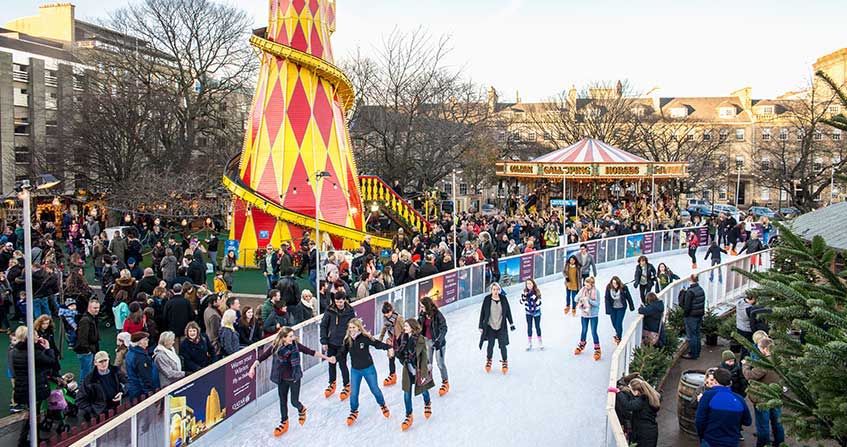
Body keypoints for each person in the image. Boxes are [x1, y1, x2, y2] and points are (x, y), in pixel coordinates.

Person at [248, 326, 333, 437]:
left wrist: (327, 358)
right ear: (283, 338)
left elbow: (310, 352)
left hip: (294, 378)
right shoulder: (276, 347)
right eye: (290, 336)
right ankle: (284, 422)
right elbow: (262, 357)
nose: (293, 338)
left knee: (294, 402)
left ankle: (301, 409)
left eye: (293, 336)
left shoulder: (296, 346)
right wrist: (252, 367)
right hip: (282, 379)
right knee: (282, 402)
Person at [338, 318, 392, 426]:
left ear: (358, 327)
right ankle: (353, 411)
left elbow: (376, 344)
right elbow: (342, 353)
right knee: (353, 393)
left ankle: (382, 404)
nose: (351, 330)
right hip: (355, 371)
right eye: (350, 328)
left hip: (368, 369)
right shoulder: (347, 340)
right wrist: (335, 358)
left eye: (353, 327)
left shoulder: (364, 338)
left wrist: (388, 347)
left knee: (375, 390)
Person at [12, 326, 59, 447]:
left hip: (23, 386)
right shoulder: (34, 352)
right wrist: (48, 349)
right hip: (34, 386)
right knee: (34, 414)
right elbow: (50, 361)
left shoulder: (15, 351)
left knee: (32, 413)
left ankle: (30, 438)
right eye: (35, 335)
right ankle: (28, 439)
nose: (37, 337)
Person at [742, 337, 784, 447]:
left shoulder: (764, 363)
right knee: (778, 423)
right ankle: (780, 443)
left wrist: (745, 364)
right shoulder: (780, 359)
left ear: (765, 349)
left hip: (762, 398)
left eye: (760, 348)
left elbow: (749, 376)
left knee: (763, 426)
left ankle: (763, 444)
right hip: (776, 396)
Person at [695, 367, 752, 447]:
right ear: (730, 382)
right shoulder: (739, 399)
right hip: (732, 442)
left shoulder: (708, 396)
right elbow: (747, 422)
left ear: (715, 381)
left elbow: (699, 420)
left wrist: (702, 436)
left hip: (710, 441)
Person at [398, 319, 434, 431]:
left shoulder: (420, 339)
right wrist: (395, 353)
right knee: (406, 393)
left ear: (413, 327)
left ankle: (427, 403)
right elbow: (401, 353)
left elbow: (424, 357)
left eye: (407, 326)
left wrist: (423, 372)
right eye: (404, 326)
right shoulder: (403, 338)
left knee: (423, 389)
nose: (404, 328)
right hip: (408, 369)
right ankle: (409, 415)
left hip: (418, 369)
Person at [319, 292, 356, 400]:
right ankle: (332, 383)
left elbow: (353, 325)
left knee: (342, 364)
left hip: (343, 343)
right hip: (331, 342)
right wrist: (324, 341)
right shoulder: (330, 311)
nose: (339, 304)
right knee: (331, 363)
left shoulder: (349, 311)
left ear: (344, 300)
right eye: (337, 302)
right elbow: (323, 326)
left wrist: (351, 339)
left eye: (340, 302)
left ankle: (347, 385)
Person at [608, 378, 661, 447]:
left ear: (636, 392)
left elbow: (628, 405)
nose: (629, 391)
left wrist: (618, 392)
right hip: (651, 432)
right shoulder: (649, 397)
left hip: (645, 435)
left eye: (630, 389)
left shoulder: (642, 400)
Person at [77, 351, 126, 421]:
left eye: (105, 360)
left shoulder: (115, 371)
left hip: (117, 409)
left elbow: (128, 382)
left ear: (109, 360)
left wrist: (122, 392)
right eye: (100, 362)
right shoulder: (90, 379)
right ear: (95, 363)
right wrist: (94, 411)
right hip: (101, 414)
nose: (104, 364)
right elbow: (80, 400)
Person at [478, 282, 515, 374]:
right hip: (490, 326)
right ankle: (489, 360)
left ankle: (505, 361)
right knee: (490, 345)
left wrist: (511, 323)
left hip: (501, 326)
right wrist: (480, 325)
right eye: (493, 289)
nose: (495, 291)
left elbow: (508, 312)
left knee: (502, 345)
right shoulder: (487, 299)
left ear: (499, 290)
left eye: (497, 289)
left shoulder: (503, 299)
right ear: (491, 290)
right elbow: (482, 313)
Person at [418, 296, 450, 396]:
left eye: (422, 306)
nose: (421, 308)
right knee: (428, 362)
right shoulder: (422, 314)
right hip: (427, 341)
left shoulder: (437, 315)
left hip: (438, 343)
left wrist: (438, 340)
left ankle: (445, 382)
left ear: (427, 306)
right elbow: (419, 325)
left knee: (440, 363)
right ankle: (428, 379)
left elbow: (444, 328)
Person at [574, 276, 602, 360]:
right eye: (585, 285)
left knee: (593, 331)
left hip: (593, 314)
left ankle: (597, 349)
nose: (586, 287)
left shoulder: (596, 291)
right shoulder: (583, 290)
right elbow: (575, 298)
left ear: (592, 285)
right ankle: (582, 344)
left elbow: (597, 304)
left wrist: (589, 300)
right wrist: (581, 299)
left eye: (588, 286)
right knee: (584, 329)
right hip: (584, 313)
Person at [125, 331, 159, 400]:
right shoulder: (140, 357)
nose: (148, 341)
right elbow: (144, 377)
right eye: (145, 339)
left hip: (135, 389)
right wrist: (150, 392)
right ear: (140, 342)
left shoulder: (131, 352)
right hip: (141, 393)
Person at [377, 302, 404, 387]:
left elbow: (405, 328)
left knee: (401, 358)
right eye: (385, 314)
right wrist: (380, 338)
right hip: (391, 339)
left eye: (388, 313)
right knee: (391, 357)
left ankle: (412, 371)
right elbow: (384, 328)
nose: (386, 315)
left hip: (400, 340)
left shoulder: (399, 318)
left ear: (391, 310)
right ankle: (392, 375)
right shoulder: (385, 318)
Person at [681, 274, 706, 360]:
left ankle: (693, 354)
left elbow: (686, 306)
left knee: (692, 335)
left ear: (690, 280)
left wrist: (685, 315)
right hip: (699, 314)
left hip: (691, 316)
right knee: (697, 334)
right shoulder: (700, 289)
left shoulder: (690, 292)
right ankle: (697, 352)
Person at [76, 299, 101, 382]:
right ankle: (83, 390)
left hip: (91, 349)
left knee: (89, 371)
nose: (97, 310)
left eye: (98, 308)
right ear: (89, 308)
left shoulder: (92, 318)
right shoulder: (85, 320)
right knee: (86, 373)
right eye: (95, 308)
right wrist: (87, 350)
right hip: (86, 351)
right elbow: (82, 337)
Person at [605, 276, 634, 345]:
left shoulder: (623, 288)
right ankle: (618, 332)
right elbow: (607, 299)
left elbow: (628, 297)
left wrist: (631, 306)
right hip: (613, 308)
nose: (614, 285)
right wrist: (608, 310)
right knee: (614, 323)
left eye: (616, 283)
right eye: (613, 283)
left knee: (618, 322)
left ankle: (619, 337)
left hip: (621, 307)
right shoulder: (609, 288)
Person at [520, 278, 543, 351]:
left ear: (533, 284)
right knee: (529, 327)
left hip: (536, 312)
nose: (529, 285)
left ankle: (540, 341)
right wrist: (524, 297)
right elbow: (521, 302)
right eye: (527, 284)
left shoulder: (537, 291)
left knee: (537, 327)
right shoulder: (524, 292)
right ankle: (529, 342)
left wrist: (535, 300)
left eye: (530, 283)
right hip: (528, 312)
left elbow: (540, 302)